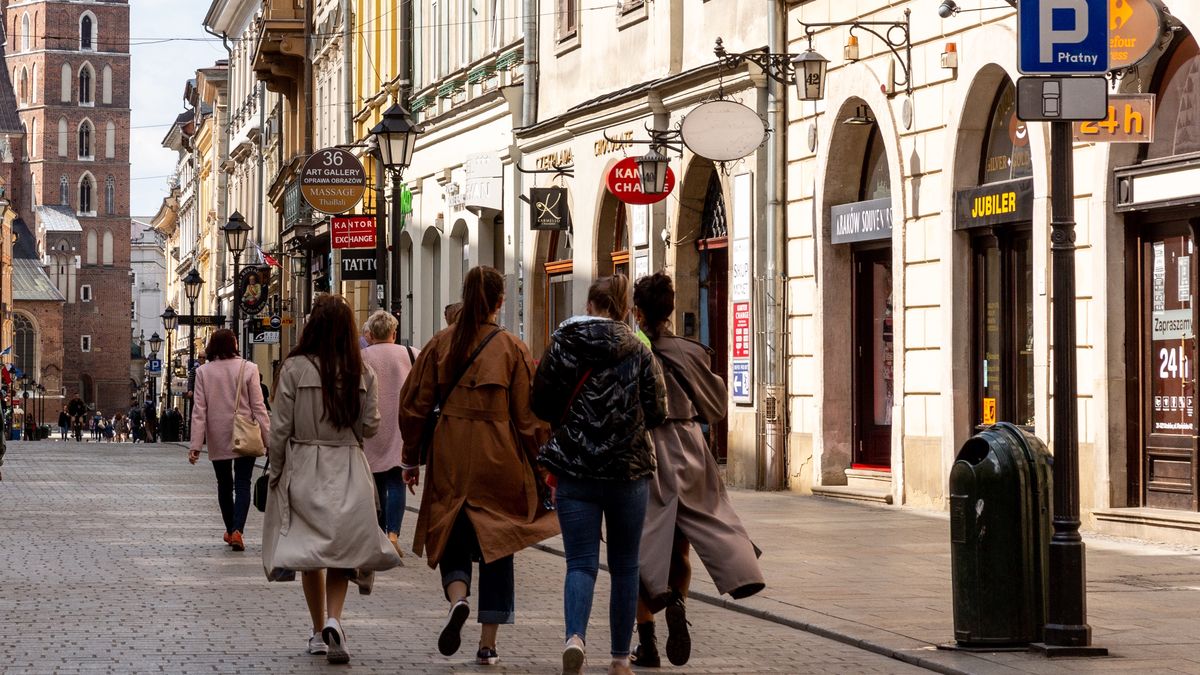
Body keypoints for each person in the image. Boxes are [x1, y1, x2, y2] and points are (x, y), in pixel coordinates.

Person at [399, 266, 559, 667]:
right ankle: (488, 643)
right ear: (501, 301)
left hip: (451, 449)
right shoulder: (512, 348)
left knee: (450, 530)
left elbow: (414, 405)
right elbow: (529, 418)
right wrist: (544, 466)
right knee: (498, 542)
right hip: (498, 452)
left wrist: (410, 456)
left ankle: (458, 599)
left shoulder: (440, 344)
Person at [531, 274, 667, 675]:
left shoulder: (563, 345)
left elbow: (540, 401)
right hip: (628, 473)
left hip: (575, 471)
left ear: (590, 306)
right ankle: (621, 658)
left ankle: (575, 638)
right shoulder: (640, 351)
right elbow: (657, 411)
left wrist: (570, 423)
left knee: (580, 564)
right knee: (625, 565)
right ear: (624, 309)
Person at [628, 273, 766, 666]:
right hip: (690, 448)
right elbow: (718, 407)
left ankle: (648, 644)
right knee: (687, 541)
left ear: (638, 311)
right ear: (669, 310)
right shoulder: (689, 351)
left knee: (642, 551)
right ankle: (680, 603)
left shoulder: (630, 350)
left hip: (649, 451)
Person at [262, 295, 401, 665]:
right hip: (349, 467)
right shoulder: (361, 372)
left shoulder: (293, 369)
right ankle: (336, 620)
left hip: (306, 465)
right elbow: (370, 426)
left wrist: (276, 472)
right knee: (342, 551)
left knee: (312, 553)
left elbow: (280, 430)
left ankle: (317, 630)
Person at [188, 328, 271, 552]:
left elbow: (199, 411)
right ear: (233, 344)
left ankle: (230, 528)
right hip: (244, 434)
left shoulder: (204, 372)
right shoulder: (249, 368)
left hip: (218, 435)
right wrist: (269, 439)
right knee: (243, 483)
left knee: (224, 485)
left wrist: (196, 445)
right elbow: (259, 408)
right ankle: (237, 531)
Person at [360, 309, 418, 558]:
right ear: (394, 333)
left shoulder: (361, 357)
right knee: (396, 481)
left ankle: (379, 535)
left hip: (371, 427)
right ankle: (393, 534)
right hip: (401, 427)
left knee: (374, 484)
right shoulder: (412, 354)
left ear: (370, 334)